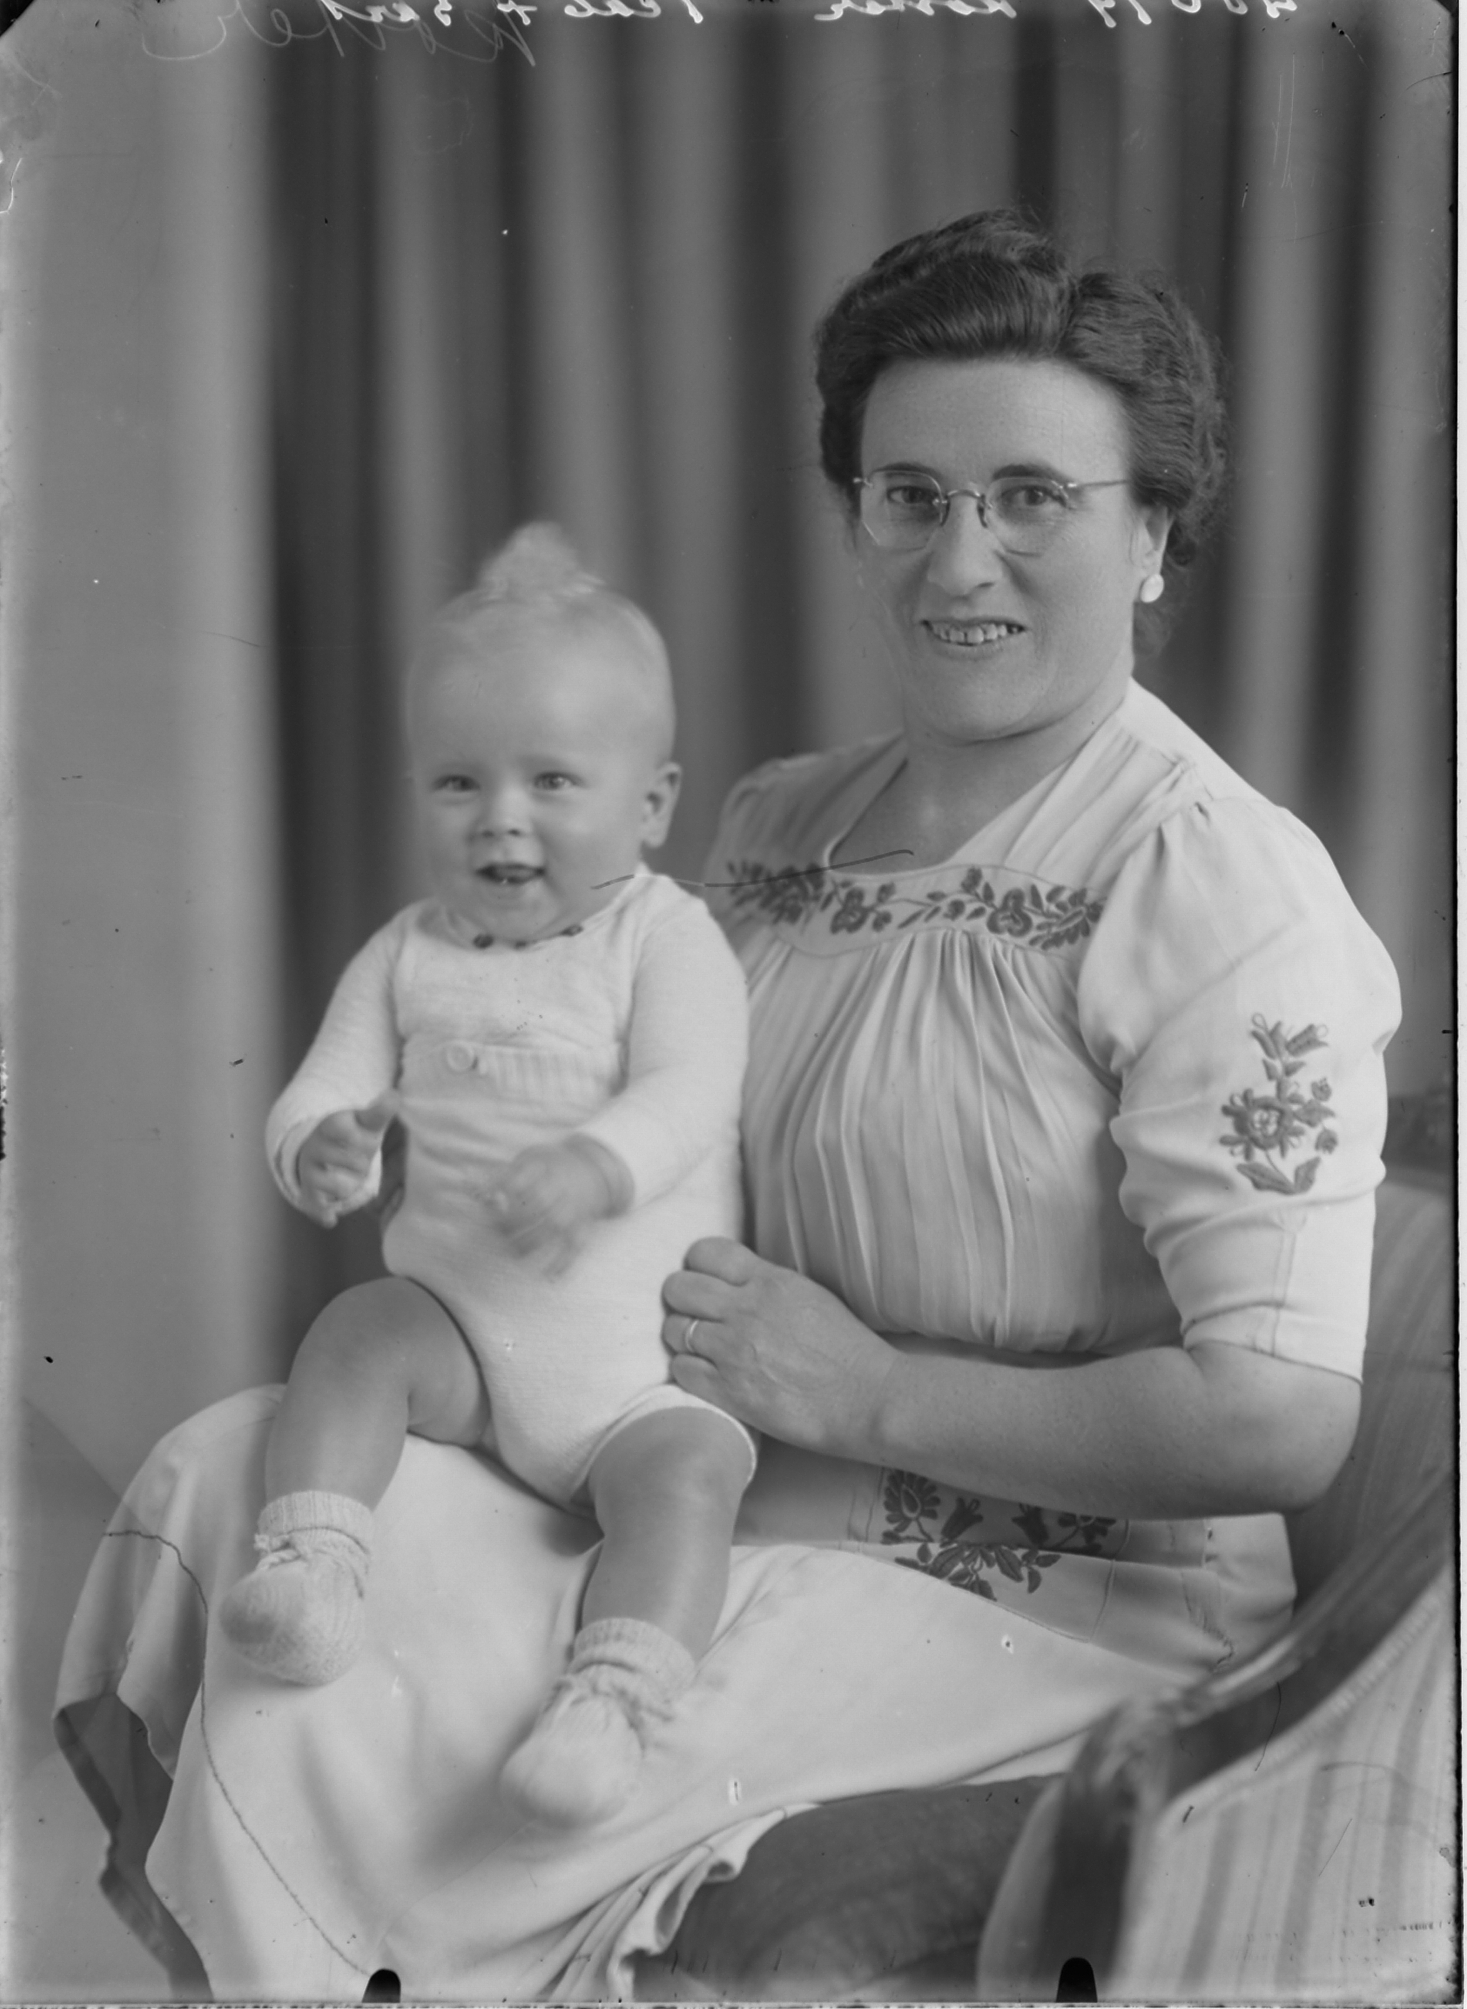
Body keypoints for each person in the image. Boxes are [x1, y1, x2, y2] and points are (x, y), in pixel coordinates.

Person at [55, 209, 1399, 2001]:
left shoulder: (1220, 881)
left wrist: (871, 1391)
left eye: (1033, 497)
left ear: (1151, 534)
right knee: (240, 1474)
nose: (962, 559)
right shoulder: (775, 821)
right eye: (909, 496)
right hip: (713, 1494)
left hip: (1053, 1612)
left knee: (504, 1803)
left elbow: (1279, 1420)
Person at [219, 524, 755, 1825]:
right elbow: (323, 1086)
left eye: (552, 780)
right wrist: (319, 1145)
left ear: (652, 804)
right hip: (463, 1339)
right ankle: (313, 1561)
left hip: (639, 1380)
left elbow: (693, 1089)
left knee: (693, 1479)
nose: (501, 816)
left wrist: (597, 1164)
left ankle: (610, 1704)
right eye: (458, 782)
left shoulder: (665, 939)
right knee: (358, 1330)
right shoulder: (408, 953)